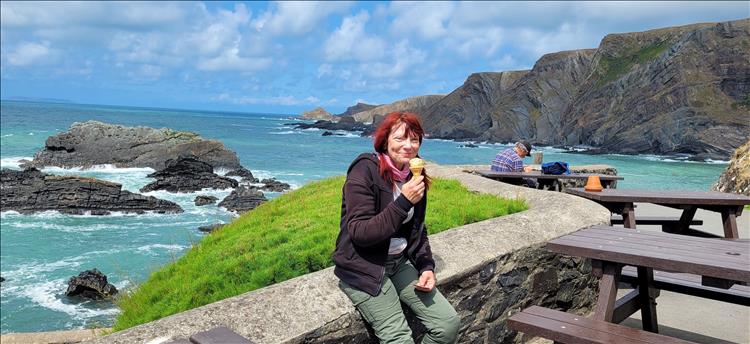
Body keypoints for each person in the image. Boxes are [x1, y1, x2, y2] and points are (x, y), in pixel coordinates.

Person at [333, 112, 460, 343]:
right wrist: (404, 201)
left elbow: (417, 229)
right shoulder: (364, 170)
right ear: (385, 140)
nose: (408, 146)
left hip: (398, 263)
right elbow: (360, 232)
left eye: (414, 140)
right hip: (364, 267)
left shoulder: (414, 175)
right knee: (399, 339)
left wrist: (426, 266)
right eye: (400, 138)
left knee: (447, 324)